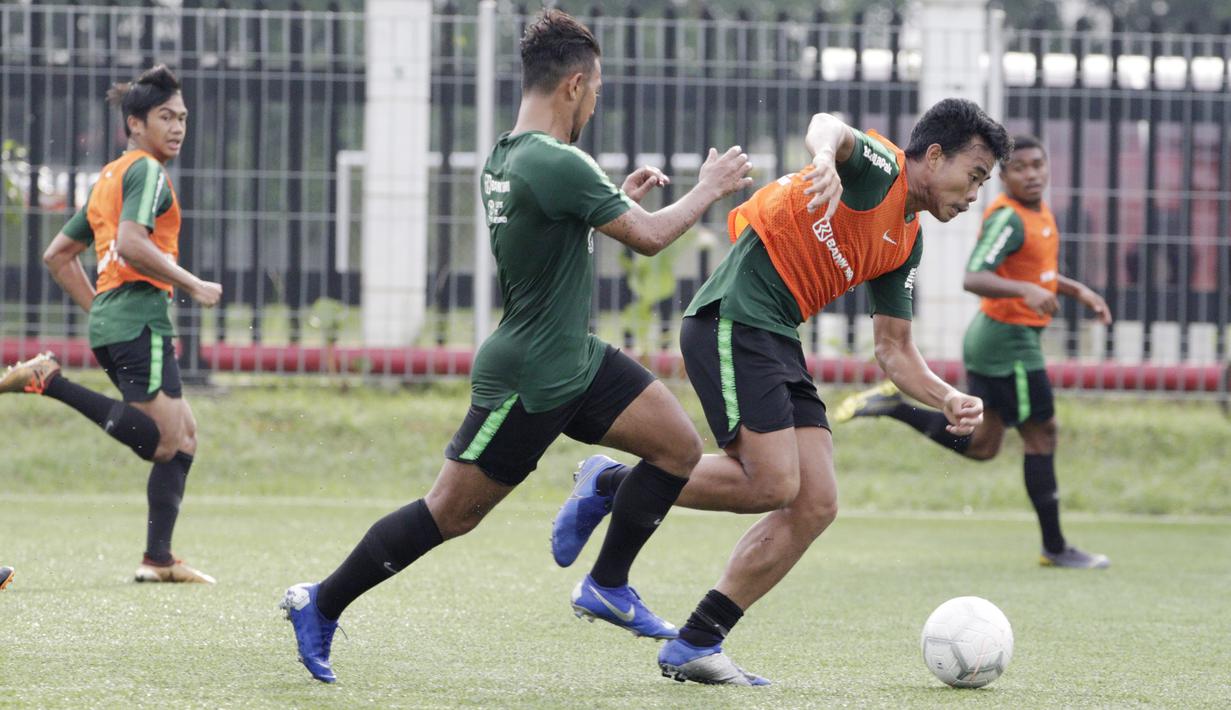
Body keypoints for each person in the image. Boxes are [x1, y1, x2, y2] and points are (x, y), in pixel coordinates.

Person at [278, 9, 752, 684]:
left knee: (676, 446)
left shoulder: (507, 155)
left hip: (574, 358)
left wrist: (613, 198)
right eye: (596, 92)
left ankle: (607, 582)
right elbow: (647, 238)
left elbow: (548, 238)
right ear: (574, 86)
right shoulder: (556, 160)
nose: (595, 103)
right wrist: (708, 188)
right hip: (530, 375)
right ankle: (320, 603)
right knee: (450, 513)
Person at [552, 98, 1011, 685]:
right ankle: (611, 483)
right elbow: (829, 127)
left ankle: (697, 641)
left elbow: (894, 350)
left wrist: (946, 396)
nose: (974, 194)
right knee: (770, 482)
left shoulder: (907, 241)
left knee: (815, 502)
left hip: (776, 337)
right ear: (935, 155)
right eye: (973, 176)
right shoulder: (882, 169)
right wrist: (824, 158)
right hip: (733, 318)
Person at [833, 134, 1111, 570]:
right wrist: (1025, 291)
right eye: (1019, 167)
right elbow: (974, 276)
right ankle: (1055, 547)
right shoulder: (1009, 219)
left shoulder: (1038, 215)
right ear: (1002, 178)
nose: (1032, 174)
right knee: (1043, 432)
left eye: (1038, 164)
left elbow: (1040, 273)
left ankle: (894, 406)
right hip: (1009, 343)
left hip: (999, 341)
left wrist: (1079, 293)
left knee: (983, 444)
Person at [0, 65, 222, 584]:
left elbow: (58, 255)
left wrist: (101, 308)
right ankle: (48, 381)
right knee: (161, 441)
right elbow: (130, 243)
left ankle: (158, 559)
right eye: (165, 116)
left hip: (123, 320)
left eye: (183, 117)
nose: (178, 127)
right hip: (139, 320)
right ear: (135, 122)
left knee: (184, 435)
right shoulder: (145, 171)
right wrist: (192, 284)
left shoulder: (111, 174)